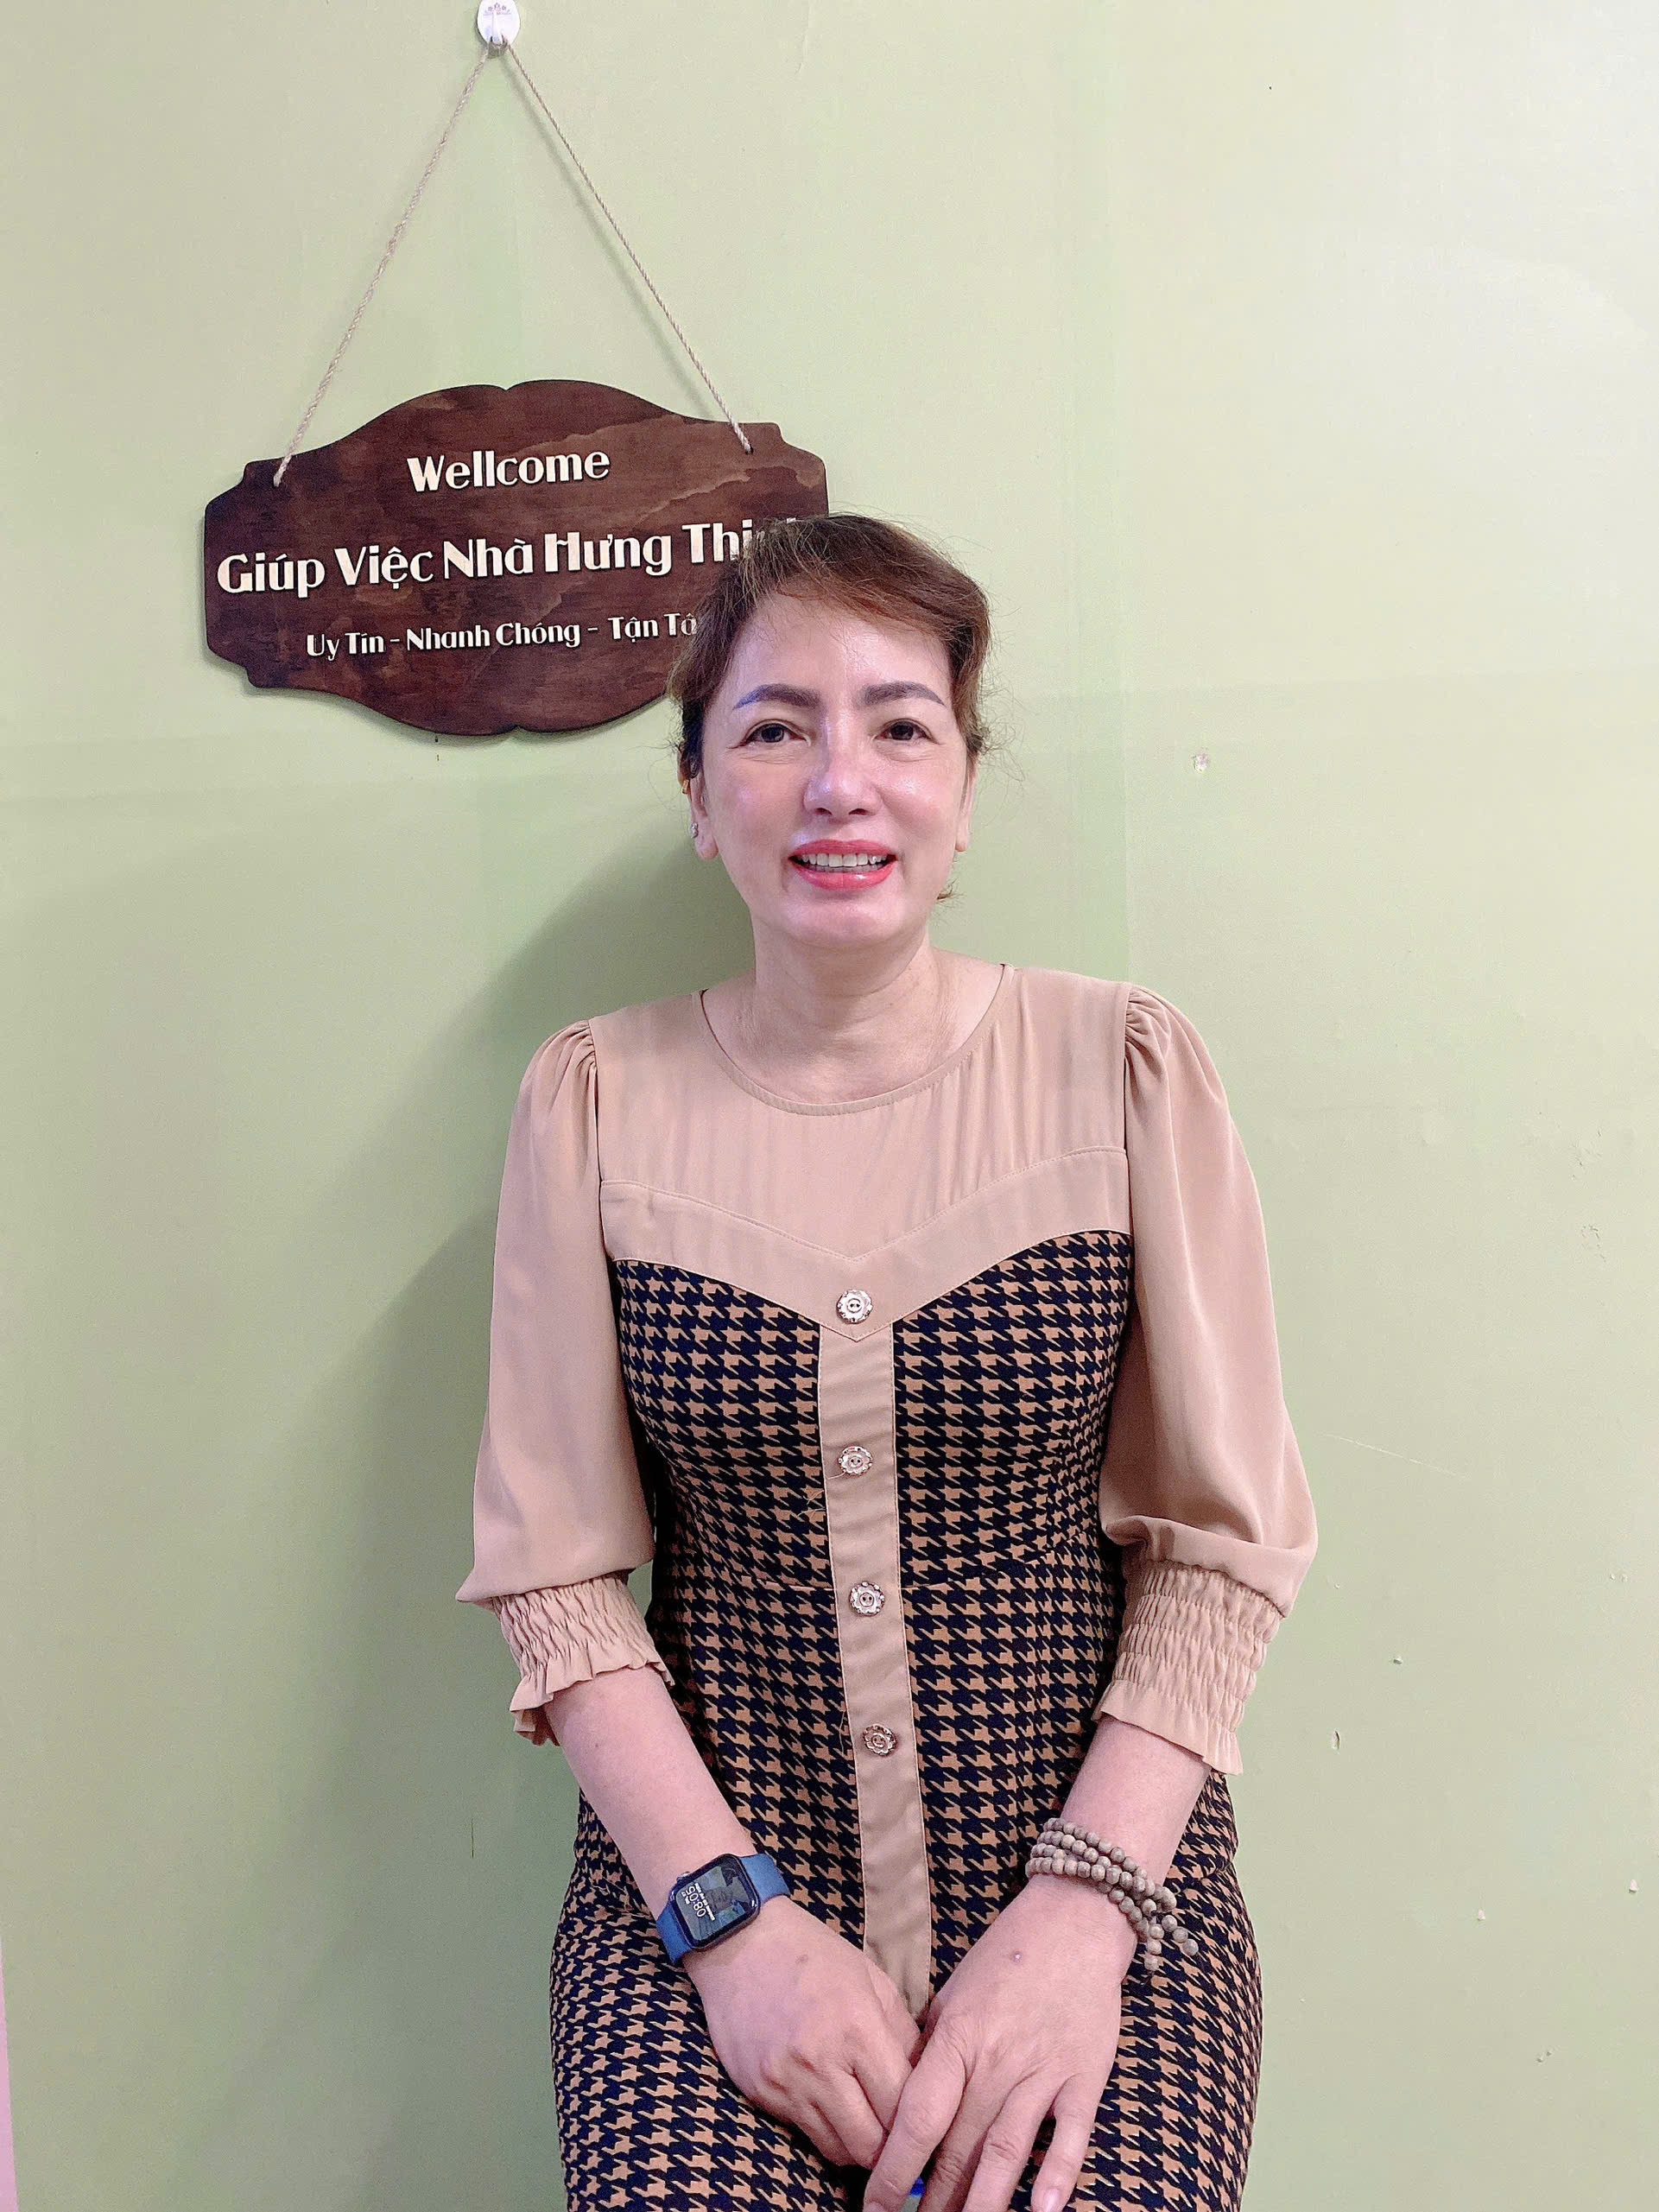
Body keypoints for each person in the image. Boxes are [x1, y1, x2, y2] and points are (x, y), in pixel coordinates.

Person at [456, 515, 1318, 2212]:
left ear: (963, 789)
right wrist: (731, 1930)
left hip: (1097, 1903)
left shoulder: (1121, 1068)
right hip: (701, 1915)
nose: (838, 782)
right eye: (775, 728)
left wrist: (1080, 1918)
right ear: (698, 793)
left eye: (899, 725)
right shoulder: (593, 1102)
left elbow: (1220, 1555)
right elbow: (555, 1577)